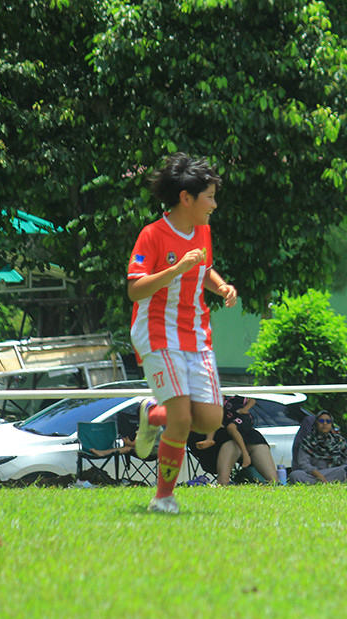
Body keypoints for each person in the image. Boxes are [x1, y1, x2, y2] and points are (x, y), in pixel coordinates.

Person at [127, 152, 238, 514]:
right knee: (182, 419)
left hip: (196, 333)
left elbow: (203, 269)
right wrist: (175, 270)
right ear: (186, 198)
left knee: (210, 420)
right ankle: (163, 498)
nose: (214, 205)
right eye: (210, 197)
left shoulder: (202, 230)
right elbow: (135, 289)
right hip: (157, 333)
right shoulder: (152, 235)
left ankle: (152, 414)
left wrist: (220, 286)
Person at [289, 410, 347, 484]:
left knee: (346, 469)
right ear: (316, 423)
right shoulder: (307, 442)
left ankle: (321, 483)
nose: (325, 424)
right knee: (295, 475)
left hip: (332, 472)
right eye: (321, 421)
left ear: (331, 424)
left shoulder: (339, 441)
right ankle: (325, 482)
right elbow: (303, 463)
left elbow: (346, 459)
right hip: (313, 474)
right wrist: (319, 476)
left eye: (328, 421)